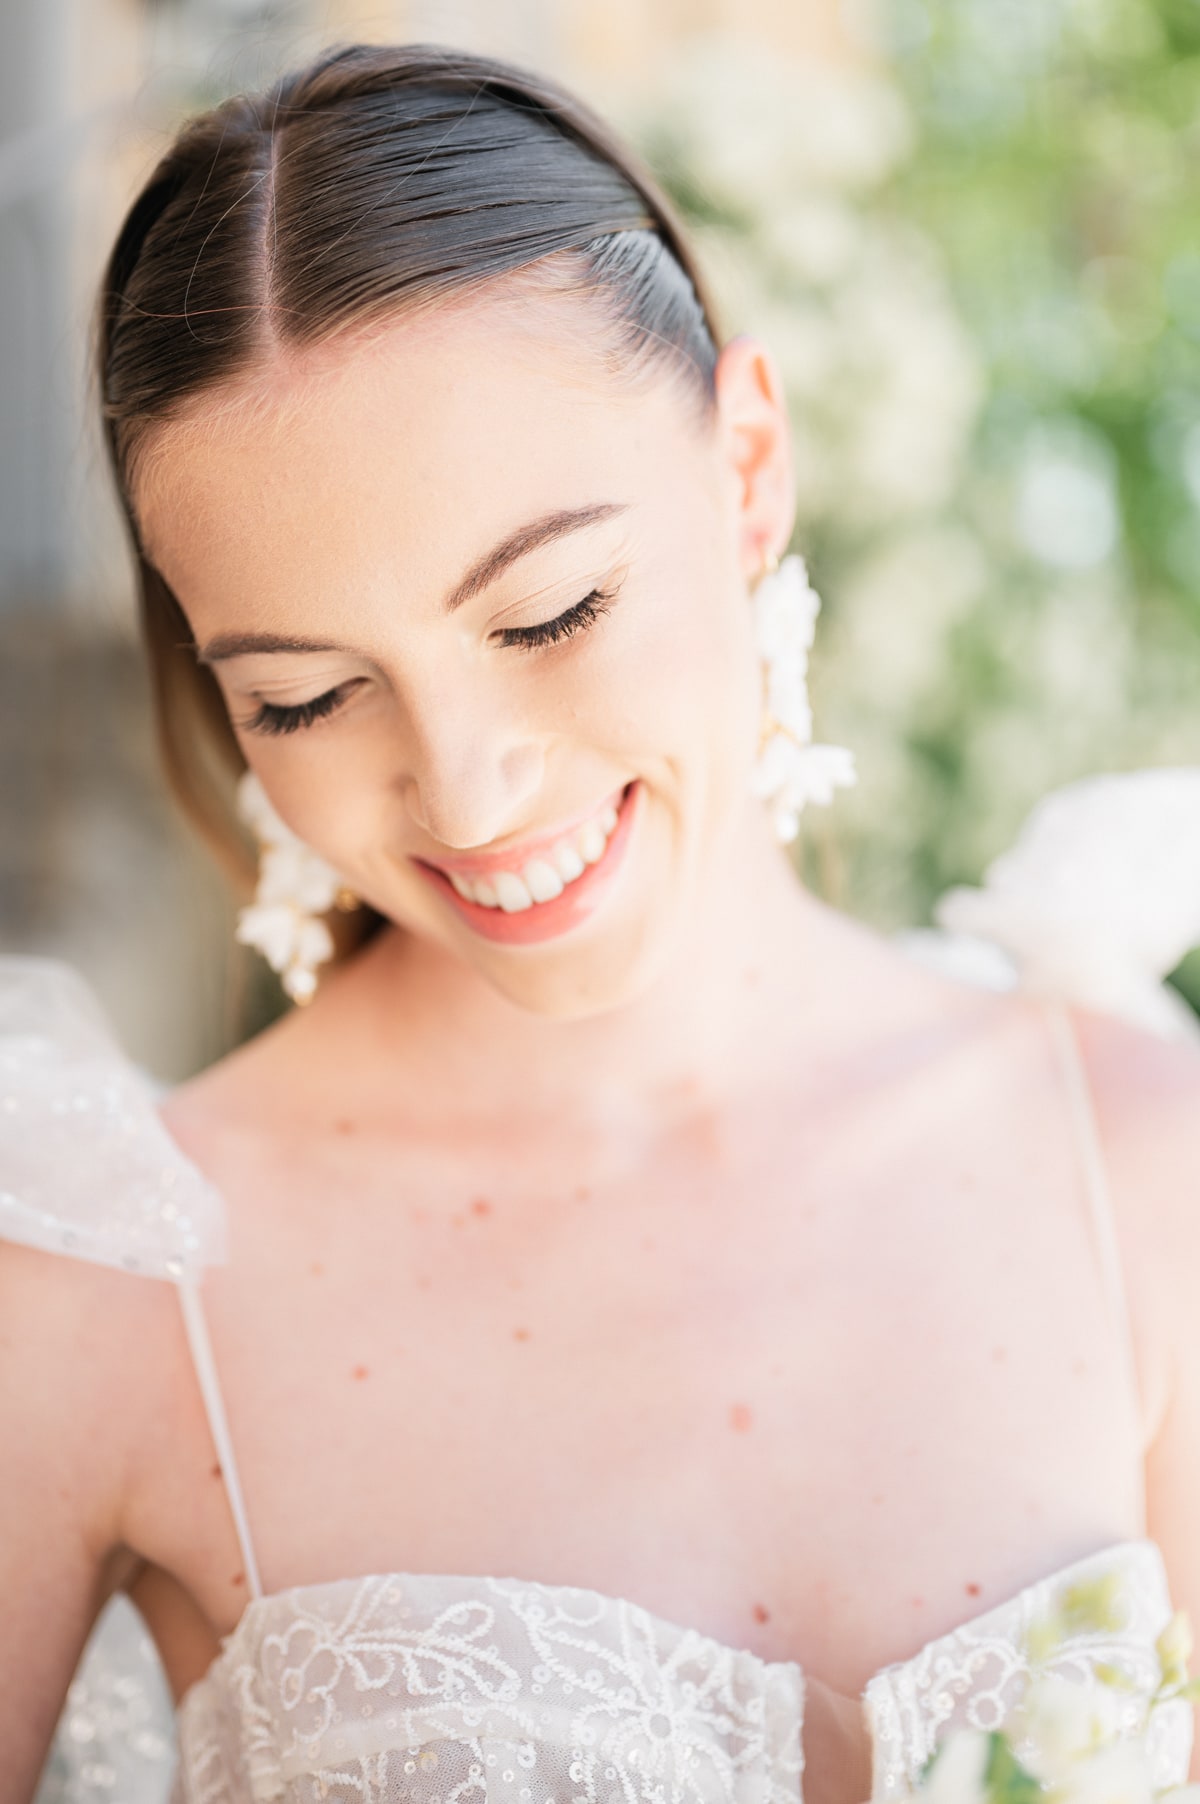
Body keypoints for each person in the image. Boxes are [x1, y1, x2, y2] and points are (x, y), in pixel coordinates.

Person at [3, 40, 1199, 1804]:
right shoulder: (106, 1285)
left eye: (550, 611)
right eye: (314, 699)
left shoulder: (1136, 1162)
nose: (471, 798)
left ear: (747, 468)